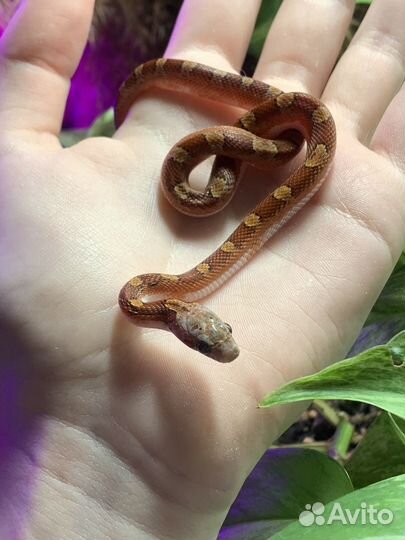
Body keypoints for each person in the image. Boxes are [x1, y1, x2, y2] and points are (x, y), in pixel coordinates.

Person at [0, 0, 403, 538]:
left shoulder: (159, 294)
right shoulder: (158, 297)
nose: (221, 345)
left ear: (189, 324)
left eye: (213, 339)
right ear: (185, 330)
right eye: (214, 343)